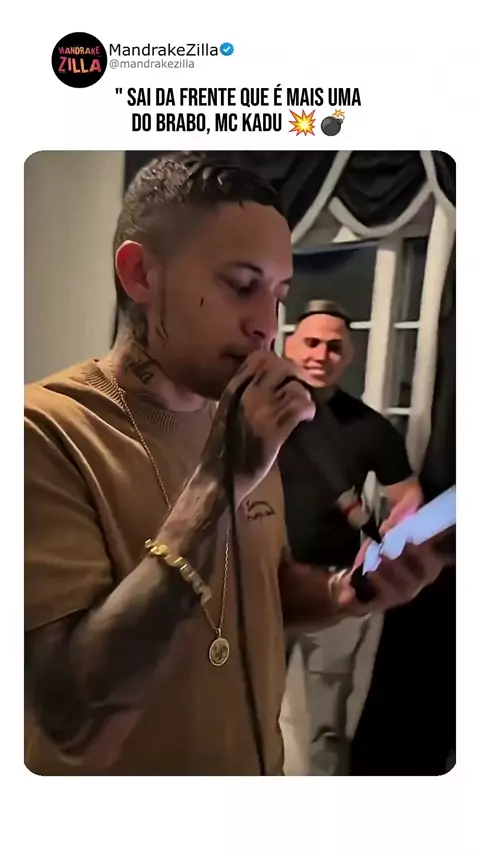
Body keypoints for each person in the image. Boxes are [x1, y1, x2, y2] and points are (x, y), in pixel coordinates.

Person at [25, 154, 448, 776]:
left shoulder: (240, 420)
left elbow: (262, 588)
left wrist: (347, 590)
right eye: (242, 286)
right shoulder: (41, 431)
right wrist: (222, 482)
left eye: (278, 296)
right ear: (141, 274)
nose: (266, 327)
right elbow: (71, 712)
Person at [279, 300, 424, 774]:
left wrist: (397, 530)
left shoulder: (370, 428)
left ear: (349, 355)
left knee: (325, 725)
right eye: (311, 343)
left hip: (335, 587)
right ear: (289, 345)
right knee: (238, 712)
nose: (321, 355)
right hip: (262, 582)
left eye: (334, 347)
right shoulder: (254, 415)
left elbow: (408, 496)